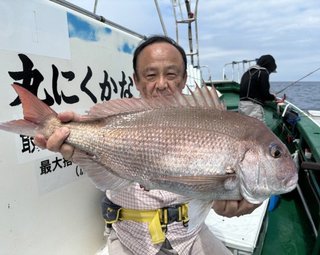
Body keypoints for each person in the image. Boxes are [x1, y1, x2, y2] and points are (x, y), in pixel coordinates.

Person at [35, 35, 260, 255]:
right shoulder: (120, 120)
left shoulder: (210, 120)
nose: (162, 84)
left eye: (171, 74)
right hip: (130, 241)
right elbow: (96, 149)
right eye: (151, 75)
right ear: (136, 80)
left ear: (183, 80)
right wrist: (74, 135)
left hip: (190, 237)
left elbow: (219, 192)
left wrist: (232, 198)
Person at [238, 54, 278, 122]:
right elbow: (265, 95)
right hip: (253, 108)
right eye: (271, 71)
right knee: (259, 131)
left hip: (241, 106)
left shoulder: (246, 73)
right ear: (269, 66)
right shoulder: (263, 73)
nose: (269, 73)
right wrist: (273, 97)